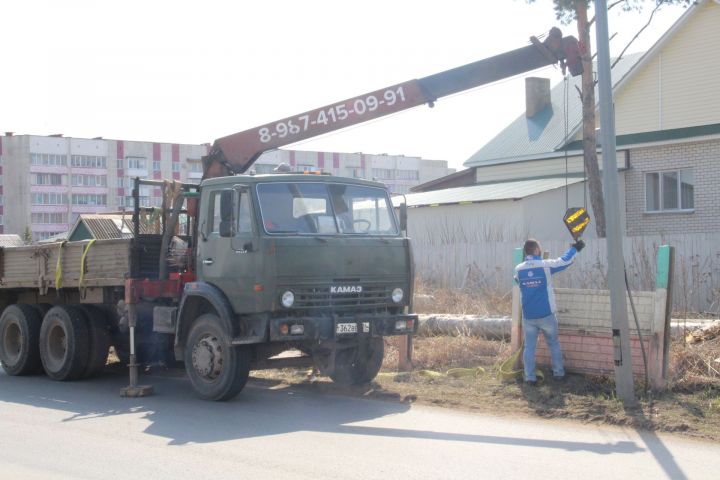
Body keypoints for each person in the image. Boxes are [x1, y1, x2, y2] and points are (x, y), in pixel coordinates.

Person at [515, 237, 584, 385]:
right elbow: (563, 261)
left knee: (529, 347)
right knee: (553, 343)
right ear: (537, 250)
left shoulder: (519, 269)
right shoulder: (545, 266)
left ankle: (529, 377)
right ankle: (558, 373)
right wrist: (575, 248)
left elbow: (517, 280)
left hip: (529, 316)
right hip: (546, 315)